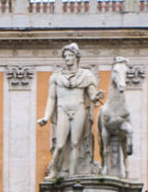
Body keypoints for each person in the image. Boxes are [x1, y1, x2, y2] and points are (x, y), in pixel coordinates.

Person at [38, 42, 104, 177]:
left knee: (75, 143)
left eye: (70, 55)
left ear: (76, 57)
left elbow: (92, 96)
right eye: (65, 56)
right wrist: (46, 117)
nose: (67, 58)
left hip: (79, 109)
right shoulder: (56, 77)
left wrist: (97, 96)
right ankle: (55, 171)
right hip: (62, 110)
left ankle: (73, 174)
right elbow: (51, 98)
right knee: (60, 144)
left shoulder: (86, 75)